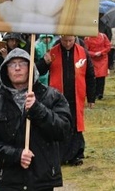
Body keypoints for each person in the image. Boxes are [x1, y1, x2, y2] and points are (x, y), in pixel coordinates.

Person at [0, 48, 72, 191]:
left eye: (22, 63)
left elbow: (63, 131)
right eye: (12, 64)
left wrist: (38, 110)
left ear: (31, 68)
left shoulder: (52, 97)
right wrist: (16, 155)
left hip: (42, 180)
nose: (17, 68)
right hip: (9, 181)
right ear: (5, 70)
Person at [37, 35, 96, 166]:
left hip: (76, 96)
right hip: (58, 98)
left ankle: (75, 154)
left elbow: (90, 75)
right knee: (59, 125)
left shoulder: (83, 52)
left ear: (75, 38)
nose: (68, 44)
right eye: (65, 41)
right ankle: (59, 154)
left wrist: (91, 97)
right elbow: (39, 71)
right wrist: (44, 62)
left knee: (75, 126)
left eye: (70, 41)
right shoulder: (52, 52)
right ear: (60, 39)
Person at [84, 31, 111, 100]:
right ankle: (94, 93)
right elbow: (85, 50)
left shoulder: (103, 36)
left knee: (101, 77)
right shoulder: (87, 38)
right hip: (93, 59)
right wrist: (94, 54)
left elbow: (108, 46)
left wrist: (101, 52)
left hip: (102, 59)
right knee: (93, 76)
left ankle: (100, 93)